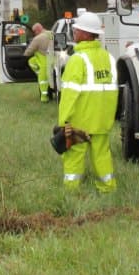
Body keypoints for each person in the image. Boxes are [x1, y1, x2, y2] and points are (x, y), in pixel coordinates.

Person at [57, 11, 119, 192]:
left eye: (77, 30)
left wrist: (63, 122)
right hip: (101, 120)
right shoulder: (108, 58)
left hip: (80, 121)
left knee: (74, 156)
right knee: (102, 155)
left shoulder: (77, 60)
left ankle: (71, 190)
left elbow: (69, 94)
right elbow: (112, 91)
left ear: (85, 34)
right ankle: (107, 188)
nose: (74, 32)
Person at [23, 22, 54, 102]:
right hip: (54, 61)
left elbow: (28, 52)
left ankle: (44, 99)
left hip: (43, 63)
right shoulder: (51, 34)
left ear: (37, 30)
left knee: (43, 81)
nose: (34, 33)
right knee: (48, 80)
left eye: (34, 31)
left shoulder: (38, 39)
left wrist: (24, 54)